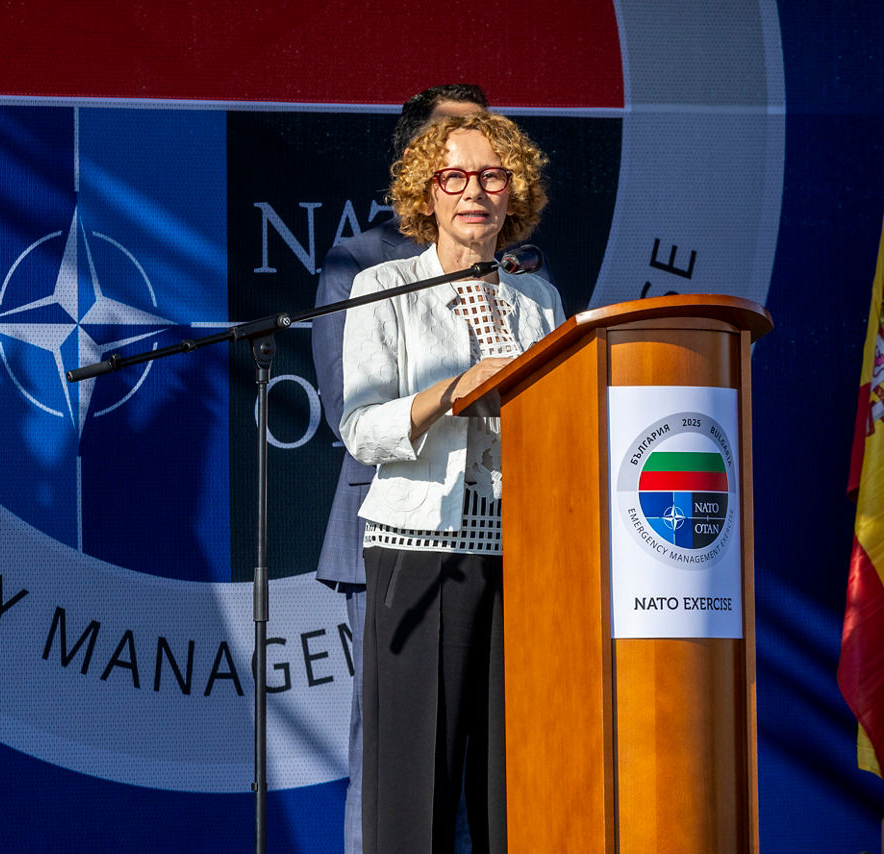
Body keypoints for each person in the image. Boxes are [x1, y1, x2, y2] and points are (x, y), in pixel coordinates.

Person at [339, 112, 563, 854]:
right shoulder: (382, 287)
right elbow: (362, 430)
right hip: (418, 553)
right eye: (454, 177)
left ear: (515, 192)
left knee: (513, 779)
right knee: (414, 785)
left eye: (493, 176)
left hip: (523, 558)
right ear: (425, 195)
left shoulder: (540, 301)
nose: (475, 192)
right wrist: (453, 392)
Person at [311, 84, 487, 854]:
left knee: (481, 760)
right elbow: (345, 409)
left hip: (501, 542)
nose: (475, 174)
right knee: (395, 765)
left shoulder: (522, 273)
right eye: (455, 155)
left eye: (489, 155)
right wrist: (452, 398)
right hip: (392, 539)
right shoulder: (361, 263)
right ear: (416, 166)